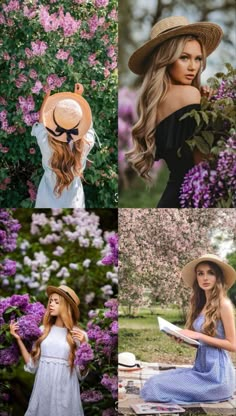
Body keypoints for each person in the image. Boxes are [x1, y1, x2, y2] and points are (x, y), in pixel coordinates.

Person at [127, 16, 223, 207]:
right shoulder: (189, 94)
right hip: (194, 197)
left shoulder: (155, 103)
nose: (193, 67)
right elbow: (203, 163)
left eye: (197, 59)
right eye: (184, 57)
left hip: (174, 197)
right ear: (166, 59)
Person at [140, 254, 236, 404]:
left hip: (217, 377)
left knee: (155, 387)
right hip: (200, 370)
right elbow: (201, 342)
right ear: (196, 277)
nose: (205, 278)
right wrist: (184, 338)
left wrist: (198, 335)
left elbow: (232, 345)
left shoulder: (224, 305)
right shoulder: (201, 304)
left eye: (211, 273)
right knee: (153, 381)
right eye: (200, 273)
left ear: (218, 277)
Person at [10, 285, 88, 416]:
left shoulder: (79, 335)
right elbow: (32, 365)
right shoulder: (43, 331)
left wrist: (84, 345)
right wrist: (18, 340)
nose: (51, 304)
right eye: (50, 301)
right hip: (43, 389)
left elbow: (81, 374)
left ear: (66, 306)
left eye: (57, 302)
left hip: (65, 389)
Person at [32, 83, 95, 208]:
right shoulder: (86, 143)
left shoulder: (46, 142)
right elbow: (88, 125)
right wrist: (78, 99)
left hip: (46, 200)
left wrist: (47, 97)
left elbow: (41, 123)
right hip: (74, 201)